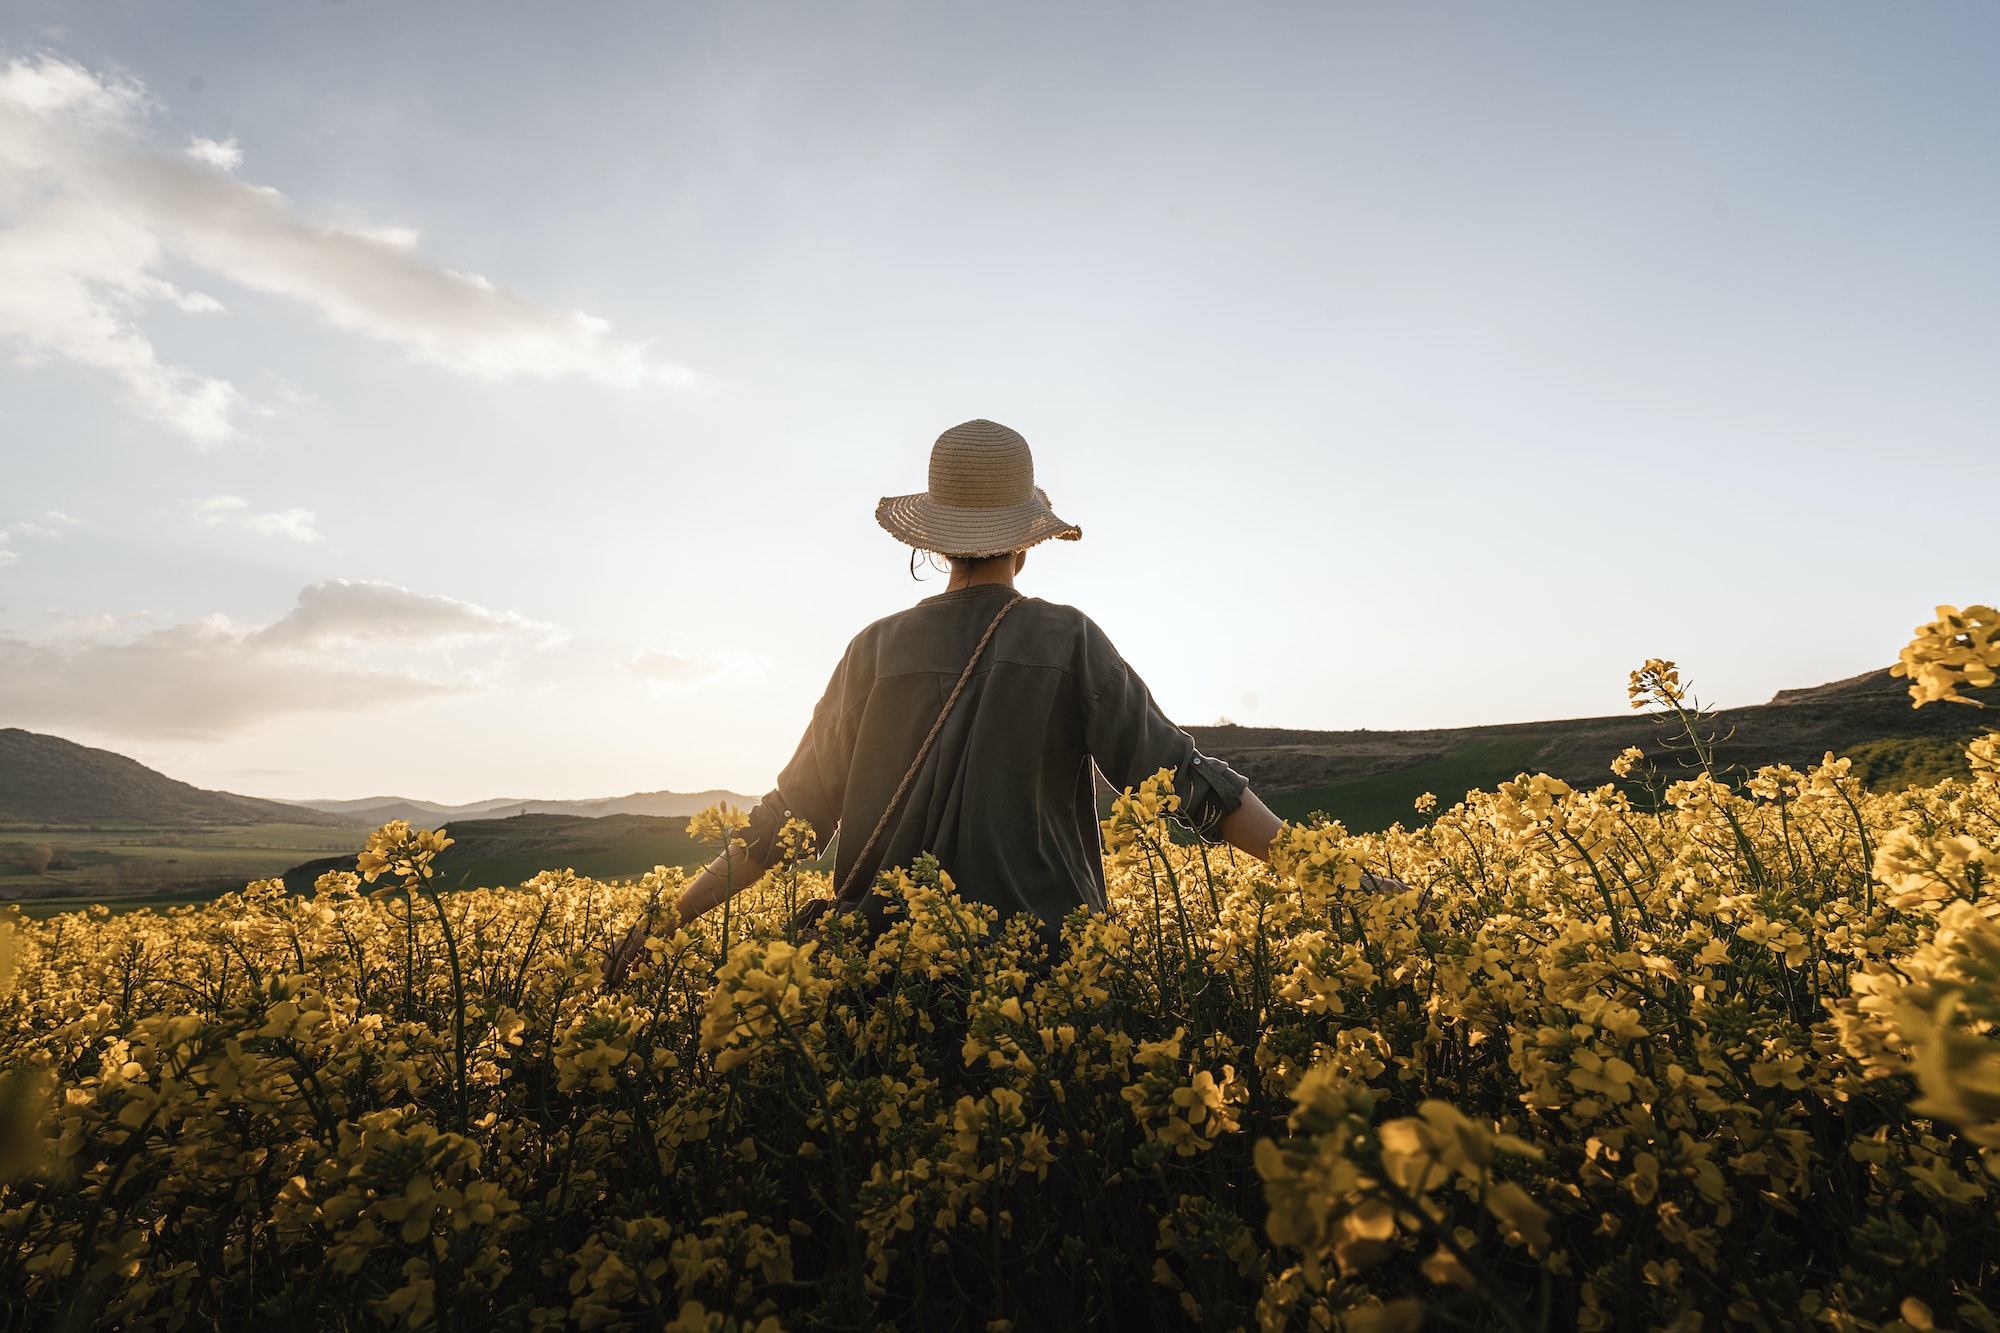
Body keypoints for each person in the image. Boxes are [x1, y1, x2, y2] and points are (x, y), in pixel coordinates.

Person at [605, 419, 1283, 980]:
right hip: (1044, 994)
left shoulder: (872, 650)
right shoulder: (1067, 640)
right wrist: (1342, 883)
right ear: (1026, 541)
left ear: (934, 543)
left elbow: (784, 824)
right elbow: (1188, 784)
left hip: (879, 989)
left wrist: (660, 924)